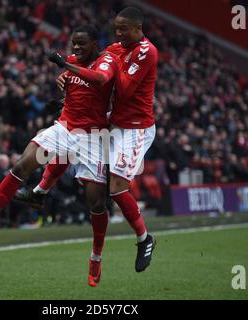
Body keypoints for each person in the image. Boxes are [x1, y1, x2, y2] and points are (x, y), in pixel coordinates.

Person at [0, 25, 119, 287]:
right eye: (74, 45)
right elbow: (75, 84)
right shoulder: (71, 62)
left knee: (95, 202)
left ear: (94, 44)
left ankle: (96, 257)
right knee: (23, 164)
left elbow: (99, 80)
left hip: (94, 137)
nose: (76, 49)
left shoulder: (106, 61)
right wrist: (62, 84)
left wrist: (65, 68)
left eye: (82, 44)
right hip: (65, 127)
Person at [15, 7, 158, 274]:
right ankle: (41, 192)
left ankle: (144, 239)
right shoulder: (116, 48)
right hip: (112, 120)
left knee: (117, 187)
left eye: (123, 29)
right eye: (116, 28)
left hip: (135, 127)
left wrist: (107, 70)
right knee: (71, 136)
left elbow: (122, 89)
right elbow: (93, 71)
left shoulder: (146, 52)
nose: (118, 34)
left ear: (138, 29)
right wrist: (70, 84)